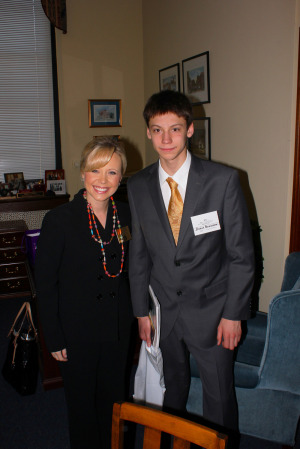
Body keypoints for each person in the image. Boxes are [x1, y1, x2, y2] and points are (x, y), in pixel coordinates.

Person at [127, 90, 255, 433]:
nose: (166, 139)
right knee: (172, 391)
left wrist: (233, 314)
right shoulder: (137, 186)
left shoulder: (223, 181)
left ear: (190, 130)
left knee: (219, 400)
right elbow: (139, 253)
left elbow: (242, 256)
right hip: (163, 311)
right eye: (157, 129)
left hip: (214, 314)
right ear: (149, 132)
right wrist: (141, 311)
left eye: (175, 128)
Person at [35, 137, 135, 449]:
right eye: (96, 171)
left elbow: (135, 269)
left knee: (114, 400)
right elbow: (46, 284)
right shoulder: (59, 219)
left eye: (112, 173)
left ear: (121, 177)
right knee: (81, 407)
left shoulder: (127, 214)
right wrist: (54, 336)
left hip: (117, 328)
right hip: (77, 331)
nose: (103, 181)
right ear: (82, 173)